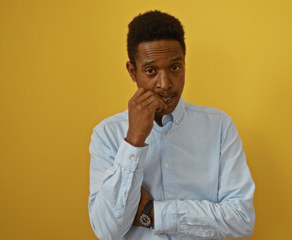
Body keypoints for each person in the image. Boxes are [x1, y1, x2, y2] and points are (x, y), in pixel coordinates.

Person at [88, 10, 255, 240]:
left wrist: (153, 213)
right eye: (151, 71)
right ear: (132, 72)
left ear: (185, 64)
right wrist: (134, 142)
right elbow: (106, 231)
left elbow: (242, 219)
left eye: (175, 68)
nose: (165, 84)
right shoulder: (106, 135)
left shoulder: (219, 127)